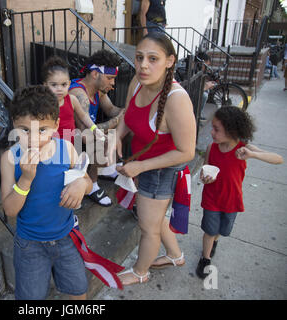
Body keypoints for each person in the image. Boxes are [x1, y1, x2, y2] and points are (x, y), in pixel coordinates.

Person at [114, 33, 197, 285]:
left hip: (160, 169)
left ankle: (140, 272)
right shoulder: (137, 83)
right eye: (139, 58)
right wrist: (117, 136)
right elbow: (128, 114)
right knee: (156, 218)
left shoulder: (176, 100)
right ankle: (175, 255)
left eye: (153, 59)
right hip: (143, 163)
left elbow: (187, 151)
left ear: (170, 61)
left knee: (148, 227)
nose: (143, 66)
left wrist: (141, 166)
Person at [0, 85, 92, 300]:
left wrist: (80, 184)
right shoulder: (9, 159)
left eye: (42, 130)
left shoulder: (66, 149)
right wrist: (25, 179)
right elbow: (10, 209)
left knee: (78, 290)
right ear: (13, 124)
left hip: (66, 237)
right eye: (24, 130)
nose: (33, 139)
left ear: (56, 126)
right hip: (30, 245)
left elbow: (86, 180)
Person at [196, 106, 283, 279]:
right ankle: (205, 259)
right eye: (212, 127)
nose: (211, 132)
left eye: (216, 129)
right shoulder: (211, 148)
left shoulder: (244, 148)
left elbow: (279, 159)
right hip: (212, 197)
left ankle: (216, 241)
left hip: (232, 199)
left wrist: (253, 155)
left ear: (232, 130)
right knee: (209, 231)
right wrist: (204, 177)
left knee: (223, 229)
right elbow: (204, 171)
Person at [69, 49, 124, 207]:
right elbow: (85, 134)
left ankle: (107, 169)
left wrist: (127, 112)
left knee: (123, 125)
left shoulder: (99, 90)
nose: (113, 83)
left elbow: (111, 110)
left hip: (86, 135)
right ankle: (92, 184)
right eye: (110, 78)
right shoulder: (79, 93)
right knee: (97, 138)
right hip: (70, 140)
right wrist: (117, 120)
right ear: (95, 74)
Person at [41, 55, 105, 144]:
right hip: (51, 147)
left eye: (63, 84)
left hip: (70, 146)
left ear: (69, 83)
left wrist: (95, 129)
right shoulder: (43, 105)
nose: (59, 89)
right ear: (45, 85)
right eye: (54, 85)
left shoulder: (72, 100)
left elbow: (83, 116)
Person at [197, 52, 216, 121]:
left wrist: (206, 85)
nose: (207, 67)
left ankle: (198, 113)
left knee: (206, 91)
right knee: (204, 95)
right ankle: (196, 115)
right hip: (189, 93)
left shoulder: (200, 70)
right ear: (202, 62)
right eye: (206, 65)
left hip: (194, 91)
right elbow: (194, 89)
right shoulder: (194, 70)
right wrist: (204, 87)